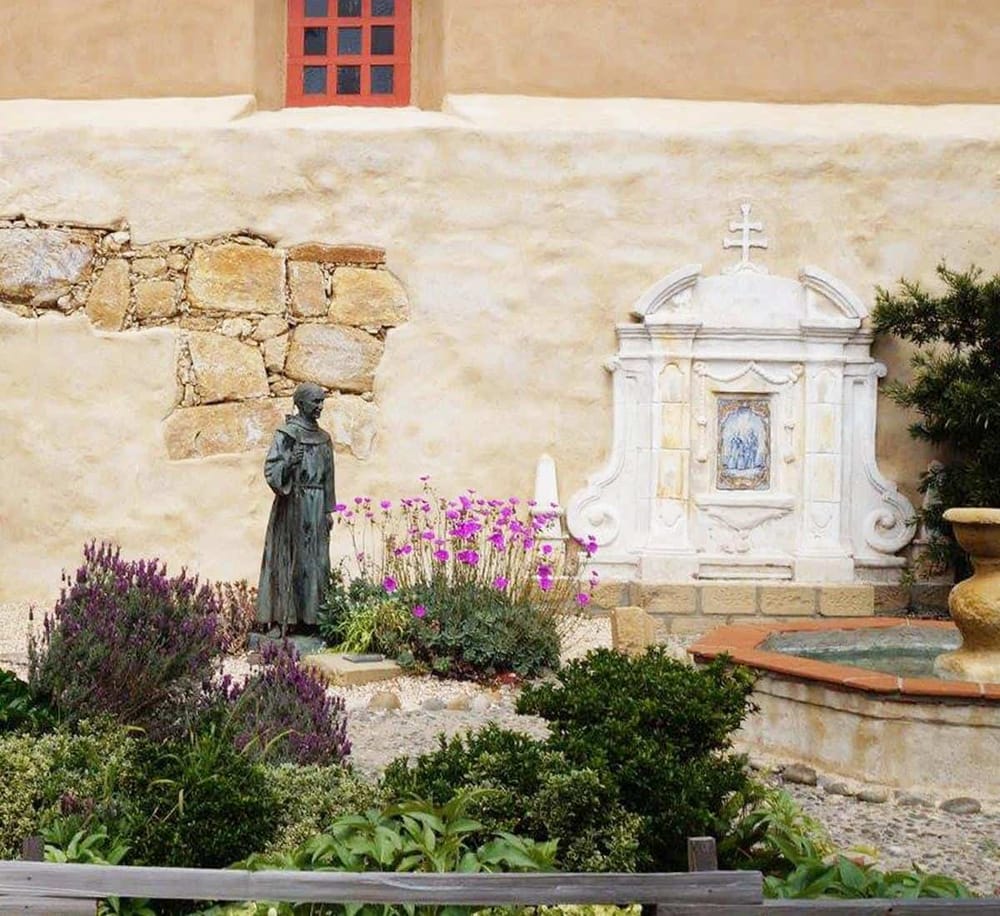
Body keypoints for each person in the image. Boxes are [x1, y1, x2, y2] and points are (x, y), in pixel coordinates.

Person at [257, 382, 335, 633]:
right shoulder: (286, 434)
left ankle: (312, 620)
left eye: (322, 401)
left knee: (316, 562)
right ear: (301, 404)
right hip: (293, 504)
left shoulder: (324, 439)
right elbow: (271, 471)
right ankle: (284, 620)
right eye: (316, 401)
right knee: (289, 560)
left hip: (317, 505)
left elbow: (329, 478)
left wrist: (328, 511)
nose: (320, 406)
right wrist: (290, 462)